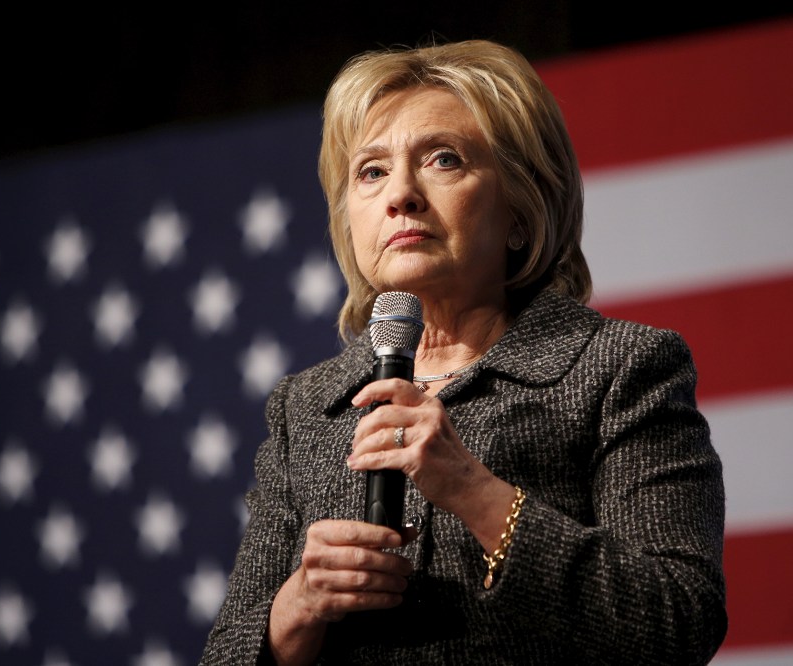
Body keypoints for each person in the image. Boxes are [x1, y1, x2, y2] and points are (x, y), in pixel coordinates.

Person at [200, 38, 727, 665]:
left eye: (443, 160)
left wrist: (477, 493)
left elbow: (679, 622)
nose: (400, 194)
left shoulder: (619, 369)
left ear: (521, 212)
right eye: (370, 171)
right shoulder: (306, 406)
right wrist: (297, 608)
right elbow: (227, 653)